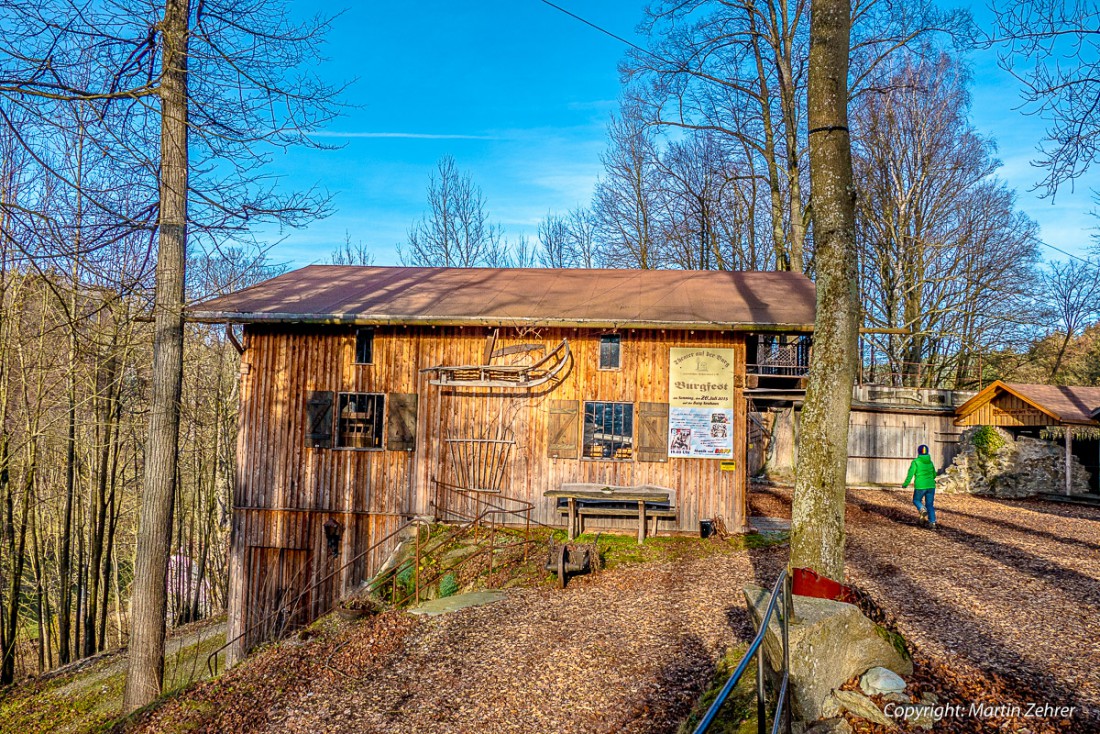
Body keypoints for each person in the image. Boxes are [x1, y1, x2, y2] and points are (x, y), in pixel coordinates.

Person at [902, 444, 937, 529]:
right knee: (930, 505)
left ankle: (922, 509)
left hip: (920, 486)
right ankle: (932, 523)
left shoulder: (916, 462)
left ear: (918, 452)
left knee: (916, 500)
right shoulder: (930, 462)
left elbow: (910, 474)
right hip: (931, 486)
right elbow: (934, 474)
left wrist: (905, 484)